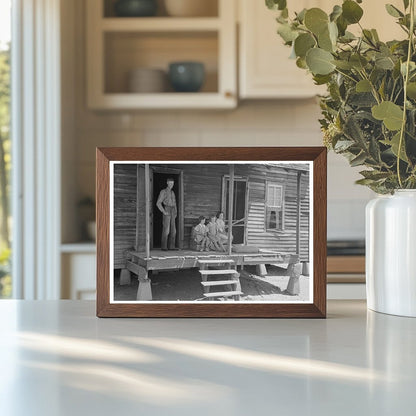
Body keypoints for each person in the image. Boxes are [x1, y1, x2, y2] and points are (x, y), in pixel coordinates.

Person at [156, 177, 178, 251]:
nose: (171, 185)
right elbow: (158, 203)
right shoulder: (163, 191)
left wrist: (175, 212)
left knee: (173, 230)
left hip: (173, 210)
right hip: (167, 209)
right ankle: (164, 247)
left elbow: (175, 204)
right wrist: (164, 211)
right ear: (167, 183)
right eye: (170, 183)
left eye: (173, 183)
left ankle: (172, 246)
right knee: (166, 230)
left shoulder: (172, 192)